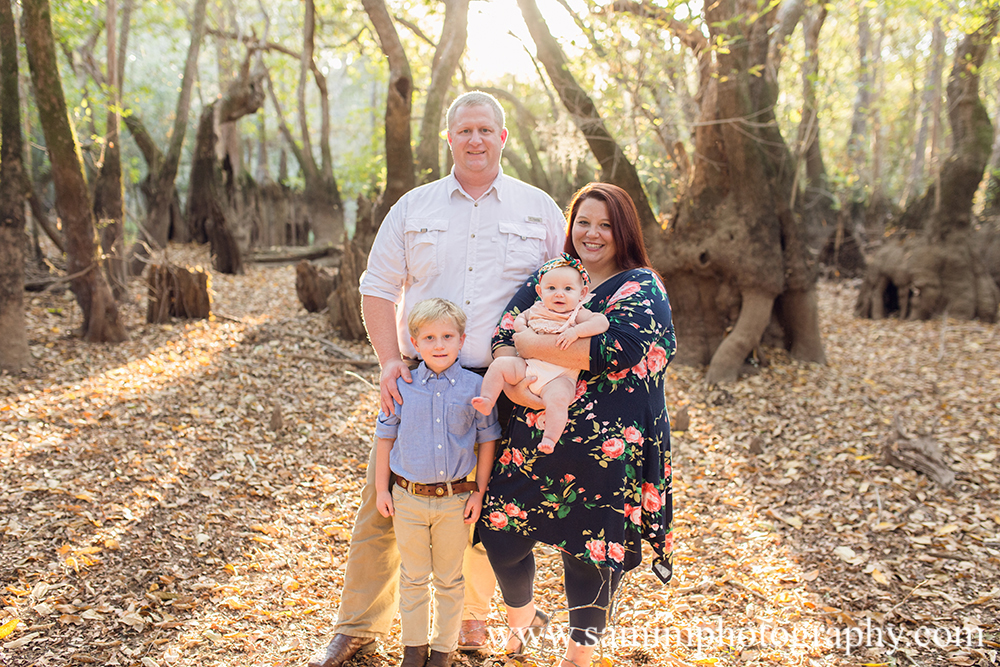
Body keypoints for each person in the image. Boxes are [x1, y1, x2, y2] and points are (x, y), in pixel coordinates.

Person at [307, 90, 566, 667]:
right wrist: (388, 362)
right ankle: (356, 626)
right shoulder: (414, 207)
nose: (475, 139)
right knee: (385, 503)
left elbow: (568, 288)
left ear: (503, 138)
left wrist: (549, 369)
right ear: (447, 138)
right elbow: (376, 287)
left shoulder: (539, 209)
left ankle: (471, 621)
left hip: (503, 381)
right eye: (464, 130)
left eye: (485, 130)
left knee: (484, 501)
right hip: (422, 378)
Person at [478, 182, 676, 667]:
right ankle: (522, 617)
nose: (592, 233)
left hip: (605, 449)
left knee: (589, 556)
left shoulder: (641, 284)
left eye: (605, 224)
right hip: (534, 440)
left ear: (623, 230)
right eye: (583, 222)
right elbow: (504, 329)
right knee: (501, 538)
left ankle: (577, 656)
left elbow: (617, 350)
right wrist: (518, 378)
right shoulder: (556, 274)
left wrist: (526, 346)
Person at [373, 299, 499, 667]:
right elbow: (385, 437)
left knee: (449, 578)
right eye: (429, 337)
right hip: (407, 498)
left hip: (454, 501)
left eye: (447, 336)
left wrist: (479, 490)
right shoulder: (402, 385)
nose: (439, 344)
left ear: (461, 341)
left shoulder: (476, 385)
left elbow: (487, 439)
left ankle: (442, 652)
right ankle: (413, 652)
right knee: (413, 577)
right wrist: (382, 488)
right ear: (414, 342)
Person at [472, 254, 608, 452]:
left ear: (582, 293)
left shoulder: (577, 313)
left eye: (568, 289)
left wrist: (576, 331)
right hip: (528, 367)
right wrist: (521, 328)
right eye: (551, 288)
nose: (559, 294)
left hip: (559, 377)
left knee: (559, 400)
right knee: (499, 366)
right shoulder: (536, 308)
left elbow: (601, 323)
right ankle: (487, 400)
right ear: (540, 291)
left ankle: (550, 438)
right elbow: (519, 319)